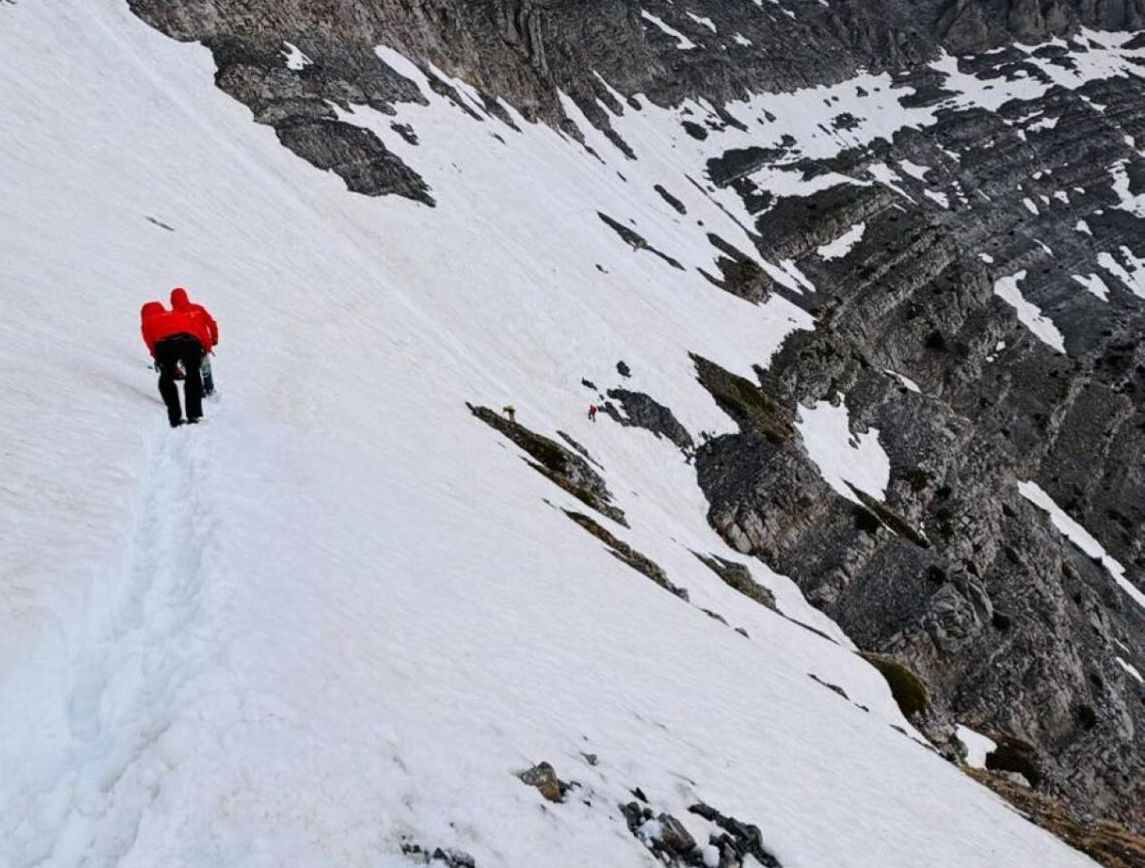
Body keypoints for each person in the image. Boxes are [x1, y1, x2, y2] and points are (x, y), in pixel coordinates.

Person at [140, 301, 213, 427]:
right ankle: (194, 416)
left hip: (165, 345)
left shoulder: (147, 322)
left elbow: (151, 344)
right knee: (193, 376)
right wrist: (203, 348)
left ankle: (175, 418)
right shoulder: (177, 314)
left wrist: (161, 361)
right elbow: (195, 329)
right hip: (190, 342)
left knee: (166, 378)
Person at [170, 287, 219, 395]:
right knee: (205, 365)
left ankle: (199, 391)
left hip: (185, 346)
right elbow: (211, 323)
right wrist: (214, 337)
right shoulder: (198, 309)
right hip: (203, 344)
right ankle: (209, 389)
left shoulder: (173, 315)